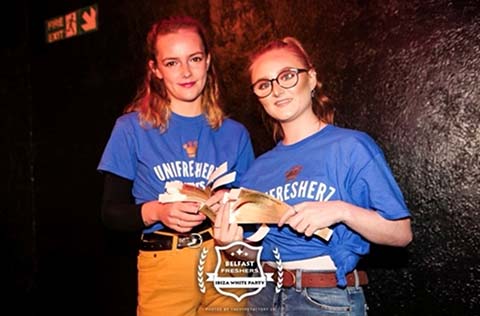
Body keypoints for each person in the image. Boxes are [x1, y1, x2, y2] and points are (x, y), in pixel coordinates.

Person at [213, 37, 413, 315]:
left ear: (312, 78)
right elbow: (248, 264)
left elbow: (401, 234)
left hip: (325, 300)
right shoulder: (256, 170)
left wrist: (342, 211)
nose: (276, 90)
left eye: (287, 76)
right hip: (262, 298)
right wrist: (229, 245)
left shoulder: (351, 147)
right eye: (264, 84)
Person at [97, 16, 255, 316]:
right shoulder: (131, 128)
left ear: (208, 61)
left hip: (228, 260)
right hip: (165, 263)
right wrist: (157, 211)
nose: (186, 71)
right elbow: (110, 213)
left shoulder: (235, 133)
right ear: (155, 69)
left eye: (194, 58)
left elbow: (256, 214)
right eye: (172, 62)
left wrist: (232, 203)